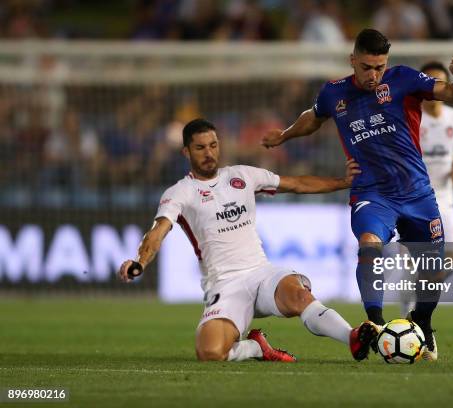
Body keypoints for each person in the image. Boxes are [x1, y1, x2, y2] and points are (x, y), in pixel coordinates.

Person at [261, 28, 453, 361]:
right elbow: (313, 118)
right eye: (366, 67)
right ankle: (375, 323)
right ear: (353, 61)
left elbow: (452, 95)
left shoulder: (403, 79)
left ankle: (422, 321)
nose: (373, 74)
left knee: (432, 265)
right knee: (369, 245)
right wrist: (285, 136)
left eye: (379, 66)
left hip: (416, 192)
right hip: (372, 192)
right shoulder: (334, 92)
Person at [117, 118, 377, 363]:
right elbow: (158, 230)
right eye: (200, 148)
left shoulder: (242, 175)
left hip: (261, 273)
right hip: (225, 283)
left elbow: (296, 183)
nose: (208, 153)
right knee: (210, 352)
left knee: (299, 295)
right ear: (186, 152)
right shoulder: (179, 193)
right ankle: (255, 347)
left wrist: (342, 182)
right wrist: (140, 261)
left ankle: (351, 336)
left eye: (213, 145)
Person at [399, 61, 453, 317]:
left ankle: (418, 305)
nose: (433, 89)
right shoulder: (410, 116)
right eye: (428, 83)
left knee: (452, 257)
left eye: (438, 83)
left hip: (444, 196)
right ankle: (411, 307)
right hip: (415, 197)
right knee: (413, 261)